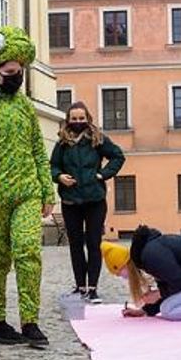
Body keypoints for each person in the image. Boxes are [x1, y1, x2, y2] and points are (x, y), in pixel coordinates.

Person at [0, 26, 55, 348]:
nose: (16, 77)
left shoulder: (24, 105)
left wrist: (46, 190)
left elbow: (38, 147)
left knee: (28, 253)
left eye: (20, 72)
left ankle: (30, 321)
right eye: (10, 72)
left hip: (26, 192)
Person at [50, 102, 125, 304]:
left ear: (88, 119)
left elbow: (118, 156)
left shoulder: (97, 139)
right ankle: (79, 286)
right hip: (70, 200)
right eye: (74, 119)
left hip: (95, 200)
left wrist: (103, 174)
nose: (77, 122)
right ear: (68, 121)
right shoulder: (62, 143)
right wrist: (59, 177)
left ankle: (92, 288)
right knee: (75, 245)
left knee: (93, 244)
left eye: (81, 118)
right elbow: (53, 166)